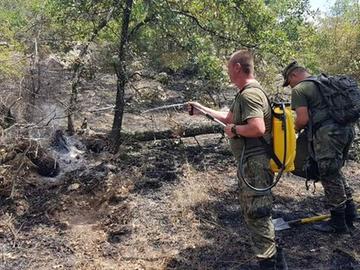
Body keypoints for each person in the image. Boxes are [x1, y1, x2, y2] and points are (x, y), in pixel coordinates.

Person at [189, 50, 287, 269]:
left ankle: (270, 263)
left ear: (236, 67)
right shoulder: (244, 93)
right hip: (250, 164)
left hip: (255, 164)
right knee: (255, 213)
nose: (227, 71)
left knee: (257, 214)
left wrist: (234, 130)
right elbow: (227, 118)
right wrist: (201, 109)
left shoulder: (250, 94)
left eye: (228, 67)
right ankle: (273, 258)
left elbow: (257, 128)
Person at [283, 61, 358, 233]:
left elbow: (302, 119)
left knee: (329, 174)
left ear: (293, 75)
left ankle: (338, 223)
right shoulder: (325, 82)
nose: (290, 86)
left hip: (327, 135)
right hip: (346, 130)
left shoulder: (300, 89)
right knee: (335, 170)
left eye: (289, 82)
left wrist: (291, 132)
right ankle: (350, 212)